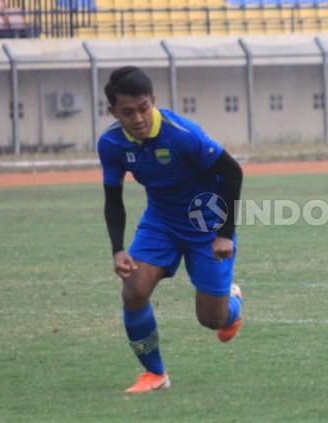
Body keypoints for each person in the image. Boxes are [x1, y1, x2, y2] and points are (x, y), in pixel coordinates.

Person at [98, 66, 245, 394]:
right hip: (160, 222)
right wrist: (117, 249)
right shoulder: (110, 144)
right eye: (127, 112)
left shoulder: (182, 134)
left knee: (212, 319)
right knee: (133, 291)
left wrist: (224, 232)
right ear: (112, 112)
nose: (137, 118)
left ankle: (233, 303)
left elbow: (233, 172)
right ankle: (156, 374)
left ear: (153, 100)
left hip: (206, 224)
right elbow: (113, 198)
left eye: (143, 108)